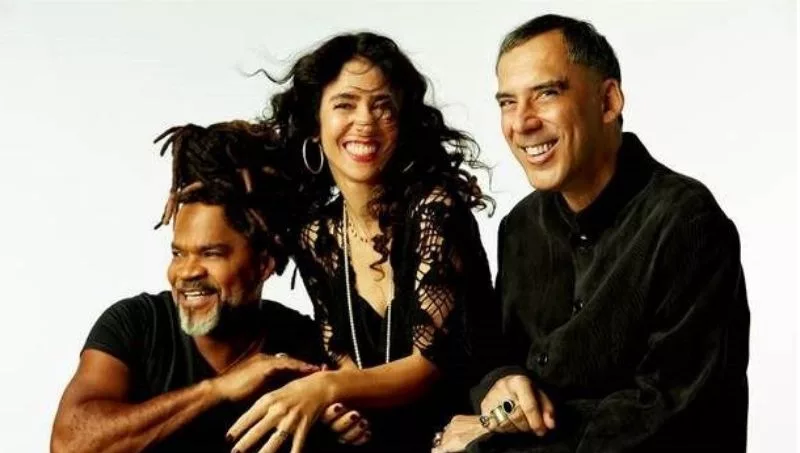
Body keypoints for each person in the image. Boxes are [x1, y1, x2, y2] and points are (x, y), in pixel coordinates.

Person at [434, 14, 750, 453]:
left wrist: (491, 439)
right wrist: (501, 383)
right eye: (507, 102)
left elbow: (672, 416)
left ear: (608, 101)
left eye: (546, 93)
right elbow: (494, 356)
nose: (521, 123)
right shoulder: (518, 227)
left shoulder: (686, 222)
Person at [226, 32, 500, 453]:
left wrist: (326, 389)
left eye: (382, 105)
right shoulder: (316, 235)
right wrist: (342, 410)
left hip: (468, 434)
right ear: (315, 125)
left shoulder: (433, 209)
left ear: (402, 123)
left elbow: (432, 365)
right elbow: (341, 355)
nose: (365, 121)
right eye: (345, 104)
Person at [50, 122, 370, 453]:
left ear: (263, 264)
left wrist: (335, 424)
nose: (186, 271)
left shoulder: (303, 344)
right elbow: (69, 445)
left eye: (211, 253)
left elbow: (357, 411)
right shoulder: (136, 325)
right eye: (178, 253)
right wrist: (216, 390)